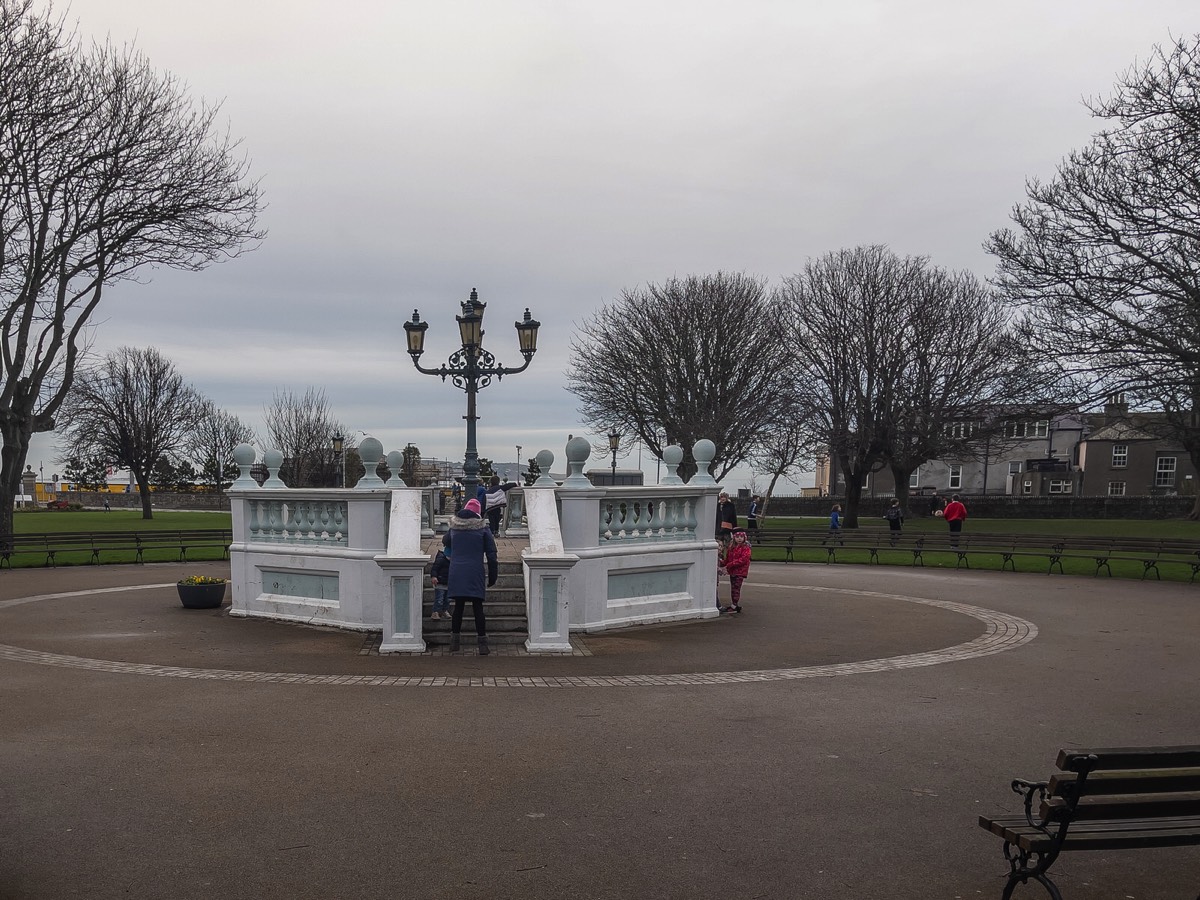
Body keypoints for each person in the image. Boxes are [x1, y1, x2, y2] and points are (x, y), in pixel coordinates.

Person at [444, 497, 498, 655]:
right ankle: (482, 645)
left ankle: (454, 643)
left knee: (458, 608)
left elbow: (445, 540)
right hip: (475, 572)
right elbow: (492, 554)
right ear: (478, 514)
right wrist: (493, 575)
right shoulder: (483, 530)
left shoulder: (454, 528)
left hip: (456, 571)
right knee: (477, 608)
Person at [719, 528, 752, 614]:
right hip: (733, 571)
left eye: (741, 536)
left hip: (740, 571)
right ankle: (734, 604)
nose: (739, 538)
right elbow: (728, 559)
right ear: (734, 537)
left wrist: (730, 564)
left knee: (736, 588)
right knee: (733, 587)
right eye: (737, 537)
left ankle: (734, 605)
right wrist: (721, 562)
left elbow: (744, 559)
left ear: (744, 537)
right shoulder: (732, 547)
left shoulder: (746, 547)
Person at [429, 544, 451, 619]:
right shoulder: (441, 559)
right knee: (439, 599)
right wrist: (434, 576)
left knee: (447, 600)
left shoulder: (453, 561)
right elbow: (434, 569)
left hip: (449, 583)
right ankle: (435, 612)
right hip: (440, 582)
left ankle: (444, 610)